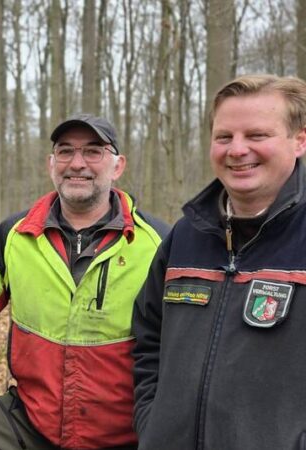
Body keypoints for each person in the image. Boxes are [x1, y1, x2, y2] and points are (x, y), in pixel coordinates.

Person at [0, 114, 168, 450]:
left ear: (117, 165)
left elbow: (186, 344)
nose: (77, 163)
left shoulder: (157, 243)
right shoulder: (14, 236)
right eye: (65, 152)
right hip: (29, 424)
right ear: (51, 164)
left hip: (126, 434)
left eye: (93, 151)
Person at [132, 74, 306, 449]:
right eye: (224, 137)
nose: (237, 150)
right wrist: (152, 424)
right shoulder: (185, 236)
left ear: (299, 141)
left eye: (257, 135)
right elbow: (148, 340)